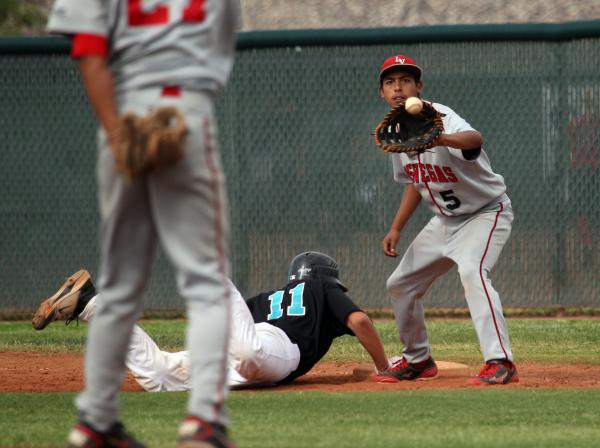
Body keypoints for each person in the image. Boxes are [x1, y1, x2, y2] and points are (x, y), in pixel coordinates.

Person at [46, 1, 240, 447]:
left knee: (120, 282)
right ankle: (204, 423)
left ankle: (95, 420)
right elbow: (214, 59)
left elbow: (89, 52)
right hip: (184, 126)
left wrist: (120, 137)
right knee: (206, 282)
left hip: (124, 122)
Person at [32, 252, 391, 391]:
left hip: (241, 350)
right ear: (328, 277)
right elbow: (359, 320)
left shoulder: (271, 297)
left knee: (158, 377)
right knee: (250, 351)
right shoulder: (321, 288)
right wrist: (384, 366)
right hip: (275, 351)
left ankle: (91, 305)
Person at [372, 54, 518, 386]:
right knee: (400, 284)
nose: (398, 87)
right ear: (381, 91)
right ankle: (418, 360)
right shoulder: (396, 130)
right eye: (391, 82)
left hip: (485, 212)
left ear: (418, 87)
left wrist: (442, 139)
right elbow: (415, 180)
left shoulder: (441, 117)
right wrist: (396, 228)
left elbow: (474, 139)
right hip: (444, 221)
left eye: (406, 80)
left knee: (473, 271)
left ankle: (501, 362)